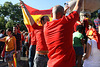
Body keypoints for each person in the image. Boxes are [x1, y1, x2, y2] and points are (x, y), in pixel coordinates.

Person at [43, 0, 83, 67]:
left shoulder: (46, 26)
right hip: (66, 64)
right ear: (62, 15)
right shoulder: (67, 22)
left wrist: (63, 14)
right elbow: (78, 5)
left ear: (51, 15)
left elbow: (59, 20)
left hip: (51, 63)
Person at [20, 1, 50, 67]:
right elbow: (29, 17)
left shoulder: (51, 28)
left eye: (49, 20)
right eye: (46, 20)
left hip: (49, 56)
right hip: (39, 56)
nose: (48, 21)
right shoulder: (37, 27)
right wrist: (24, 7)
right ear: (42, 21)